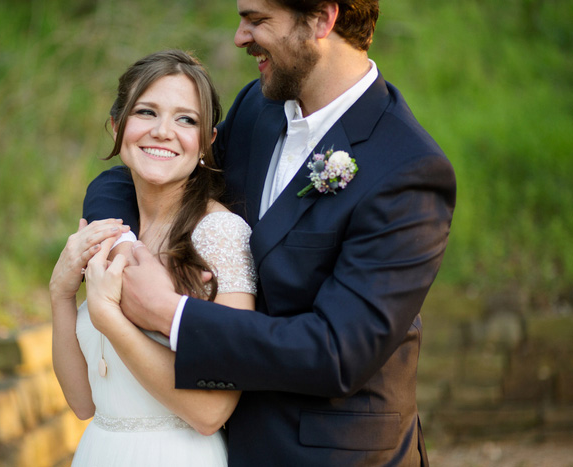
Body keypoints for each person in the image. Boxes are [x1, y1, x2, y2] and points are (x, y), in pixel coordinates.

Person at [83, 0, 456, 465]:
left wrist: (170, 313)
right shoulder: (258, 109)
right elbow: (145, 168)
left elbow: (337, 353)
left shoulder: (408, 168)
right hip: (219, 446)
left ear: (322, 19)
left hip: (330, 455)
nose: (240, 37)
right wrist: (122, 243)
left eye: (257, 20)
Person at [50, 49, 257, 466]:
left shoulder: (220, 235)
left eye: (186, 119)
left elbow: (209, 412)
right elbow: (84, 403)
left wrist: (109, 317)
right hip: (99, 451)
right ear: (116, 125)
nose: (163, 131)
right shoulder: (110, 231)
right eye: (146, 112)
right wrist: (60, 295)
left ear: (207, 141)